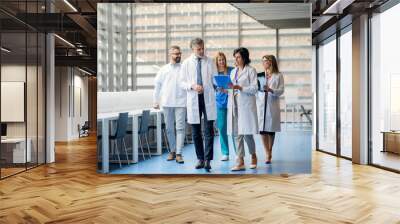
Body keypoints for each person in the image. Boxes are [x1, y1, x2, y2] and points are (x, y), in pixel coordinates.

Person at [180, 38, 217, 172]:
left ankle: (207, 160)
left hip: (207, 98)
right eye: (198, 49)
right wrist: (193, 86)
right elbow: (181, 83)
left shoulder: (210, 61)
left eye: (203, 48)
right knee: (196, 132)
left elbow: (215, 78)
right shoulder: (186, 63)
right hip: (194, 98)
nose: (202, 51)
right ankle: (200, 158)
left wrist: (219, 85)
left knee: (208, 131)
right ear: (193, 49)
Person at [226, 47, 259, 171]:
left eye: (238, 57)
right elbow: (232, 87)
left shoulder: (251, 71)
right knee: (236, 133)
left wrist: (241, 88)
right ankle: (240, 161)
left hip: (245, 105)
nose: (236, 59)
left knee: (246, 134)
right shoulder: (233, 71)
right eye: (235, 57)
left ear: (244, 58)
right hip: (234, 104)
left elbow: (255, 88)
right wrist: (226, 89)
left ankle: (253, 155)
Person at [153, 45, 186, 163]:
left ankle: (179, 153)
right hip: (166, 103)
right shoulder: (163, 69)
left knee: (181, 128)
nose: (178, 56)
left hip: (181, 102)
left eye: (179, 53)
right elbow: (157, 86)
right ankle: (172, 151)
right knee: (169, 129)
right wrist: (155, 100)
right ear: (170, 55)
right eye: (176, 54)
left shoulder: (184, 68)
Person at [256, 55, 284, 164]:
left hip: (272, 105)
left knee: (271, 131)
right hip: (261, 105)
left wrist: (271, 90)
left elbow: (281, 90)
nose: (263, 63)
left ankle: (270, 150)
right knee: (262, 131)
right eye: (262, 61)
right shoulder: (260, 75)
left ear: (271, 62)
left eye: (265, 61)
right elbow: (256, 90)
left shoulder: (278, 75)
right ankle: (267, 152)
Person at [214, 52, 233, 161]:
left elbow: (235, 85)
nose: (221, 62)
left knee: (234, 128)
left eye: (223, 59)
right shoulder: (214, 73)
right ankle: (225, 152)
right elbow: (211, 87)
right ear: (216, 62)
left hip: (231, 101)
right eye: (219, 60)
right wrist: (218, 90)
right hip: (220, 102)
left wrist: (228, 90)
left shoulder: (231, 70)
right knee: (221, 128)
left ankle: (238, 154)